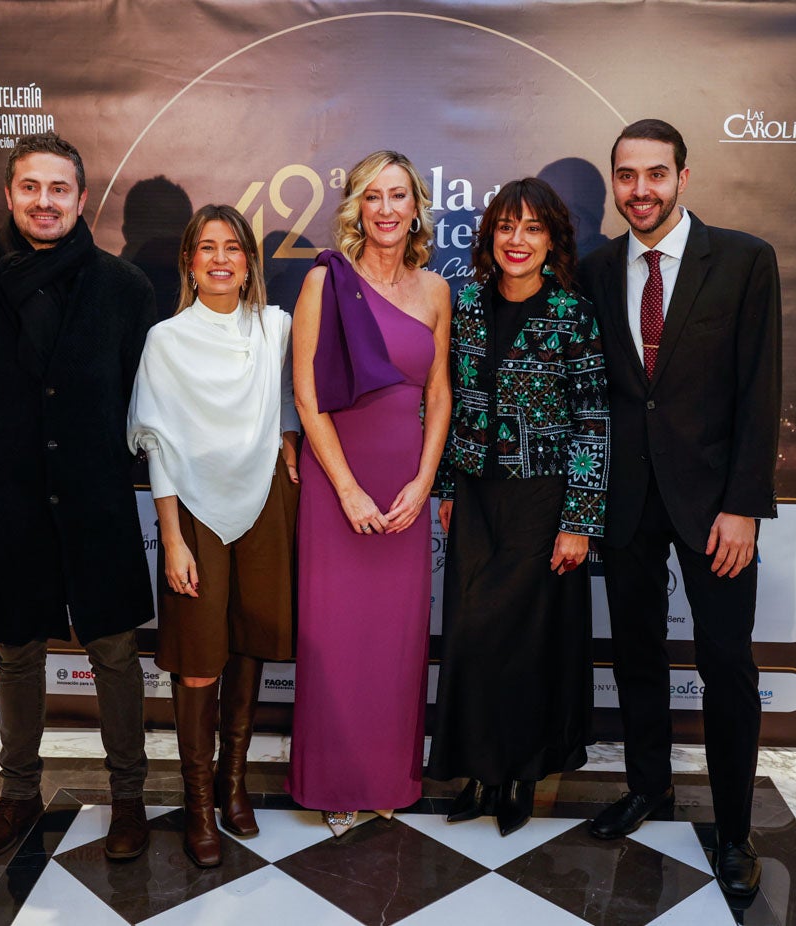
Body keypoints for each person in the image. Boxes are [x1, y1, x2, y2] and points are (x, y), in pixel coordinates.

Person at [0, 132, 155, 863]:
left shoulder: (124, 289)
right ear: (8, 195)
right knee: (17, 650)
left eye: (59, 188)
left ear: (82, 199)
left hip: (96, 496)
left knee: (116, 651)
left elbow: (133, 394)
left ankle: (129, 798)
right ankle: (18, 795)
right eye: (30, 187)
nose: (44, 201)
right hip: (14, 498)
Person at [579, 119, 781, 896]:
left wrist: (742, 506)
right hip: (626, 502)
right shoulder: (596, 270)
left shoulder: (743, 260)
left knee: (726, 664)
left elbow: (759, 392)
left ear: (683, 178)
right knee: (635, 657)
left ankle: (733, 830)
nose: (640, 191)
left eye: (655, 175)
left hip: (714, 506)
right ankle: (647, 785)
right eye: (626, 176)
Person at [427, 178, 607, 837]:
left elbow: (592, 421)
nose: (516, 240)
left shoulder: (573, 312)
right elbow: (446, 404)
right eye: (506, 227)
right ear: (489, 237)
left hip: (543, 497)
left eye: (531, 228)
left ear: (552, 239)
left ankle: (519, 778)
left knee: (525, 643)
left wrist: (579, 521)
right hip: (475, 493)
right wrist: (447, 487)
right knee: (472, 636)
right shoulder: (466, 304)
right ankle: (477, 772)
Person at [127, 205, 300, 868]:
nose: (221, 259)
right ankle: (198, 806)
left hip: (265, 501)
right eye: (207, 248)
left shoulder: (274, 327)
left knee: (250, 644)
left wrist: (286, 437)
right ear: (188, 262)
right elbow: (159, 447)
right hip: (194, 512)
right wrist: (170, 538)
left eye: (233, 247)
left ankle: (234, 790)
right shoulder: (166, 340)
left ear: (250, 261)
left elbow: (291, 391)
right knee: (200, 659)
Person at [286, 150, 452, 835]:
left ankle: (387, 776)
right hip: (338, 488)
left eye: (398, 196)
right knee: (335, 635)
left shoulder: (436, 291)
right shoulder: (325, 282)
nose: (386, 210)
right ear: (356, 207)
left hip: (405, 489)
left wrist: (423, 480)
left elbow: (439, 395)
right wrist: (347, 489)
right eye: (372, 197)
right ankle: (333, 780)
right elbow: (305, 395)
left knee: (395, 639)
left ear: (416, 206)